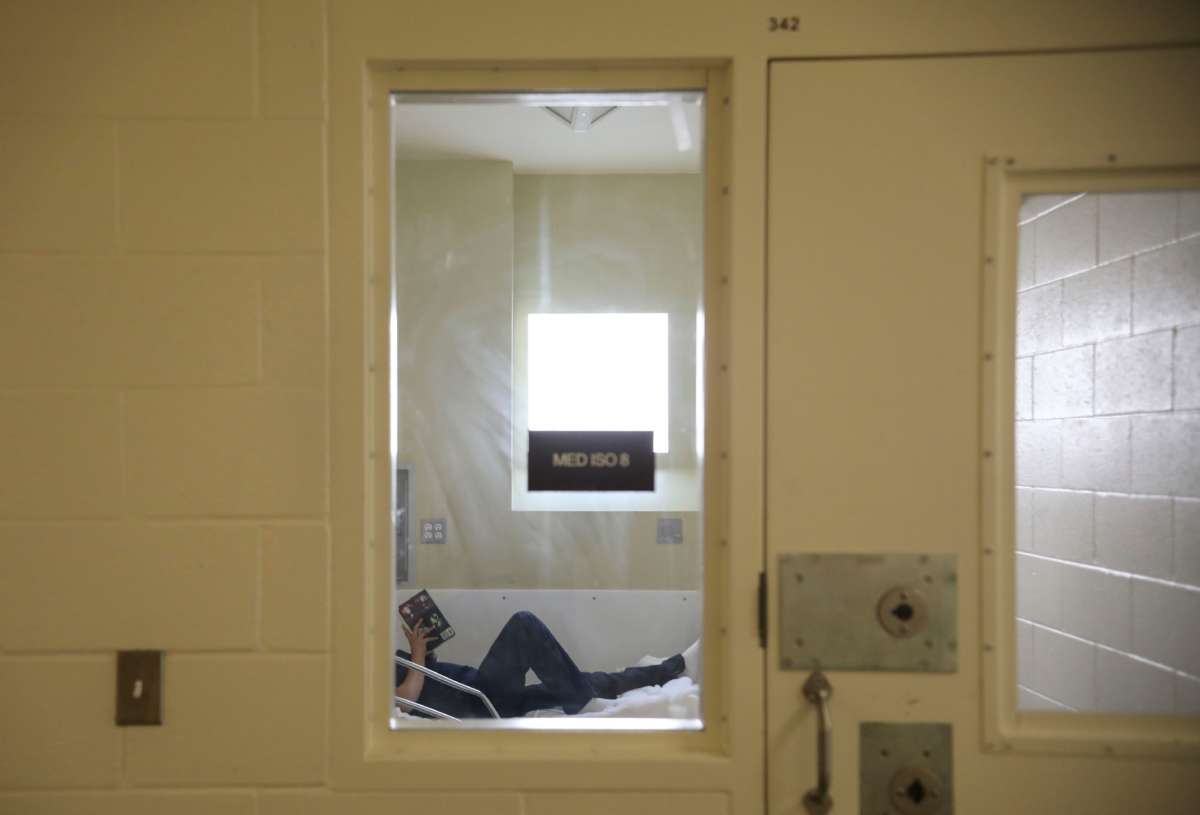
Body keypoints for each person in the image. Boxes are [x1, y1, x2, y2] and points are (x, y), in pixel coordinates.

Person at [395, 610, 701, 719]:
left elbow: (424, 680)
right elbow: (404, 702)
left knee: (588, 680)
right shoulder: (365, 680)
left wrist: (425, 651)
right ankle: (581, 702)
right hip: (480, 703)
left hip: (482, 693)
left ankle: (670, 668)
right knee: (523, 625)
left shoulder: (385, 660)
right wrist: (417, 654)